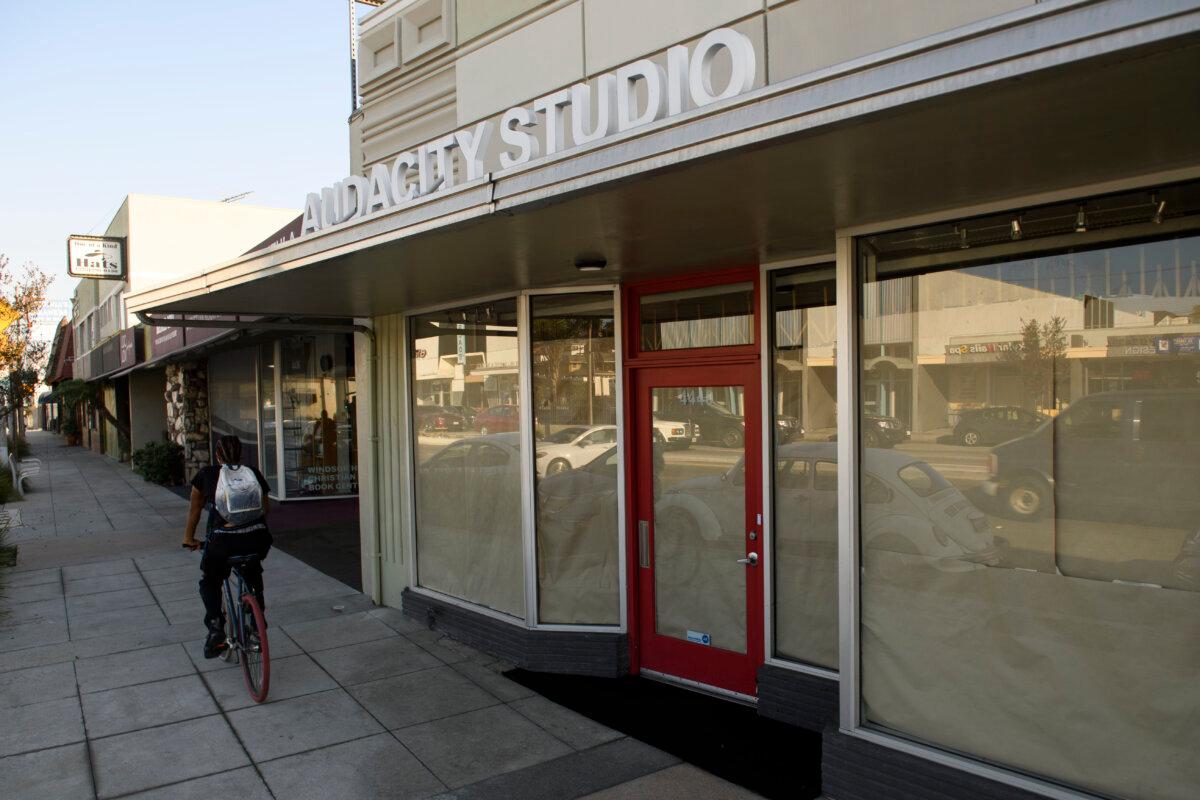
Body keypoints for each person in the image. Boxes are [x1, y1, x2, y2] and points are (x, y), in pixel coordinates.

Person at [182, 435, 272, 658]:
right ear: (241, 454)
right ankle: (257, 614)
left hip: (223, 542)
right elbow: (265, 509)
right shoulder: (253, 474)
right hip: (257, 539)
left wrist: (189, 538)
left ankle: (215, 629)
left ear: (217, 455)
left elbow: (194, 511)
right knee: (252, 567)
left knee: (210, 580)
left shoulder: (207, 475)